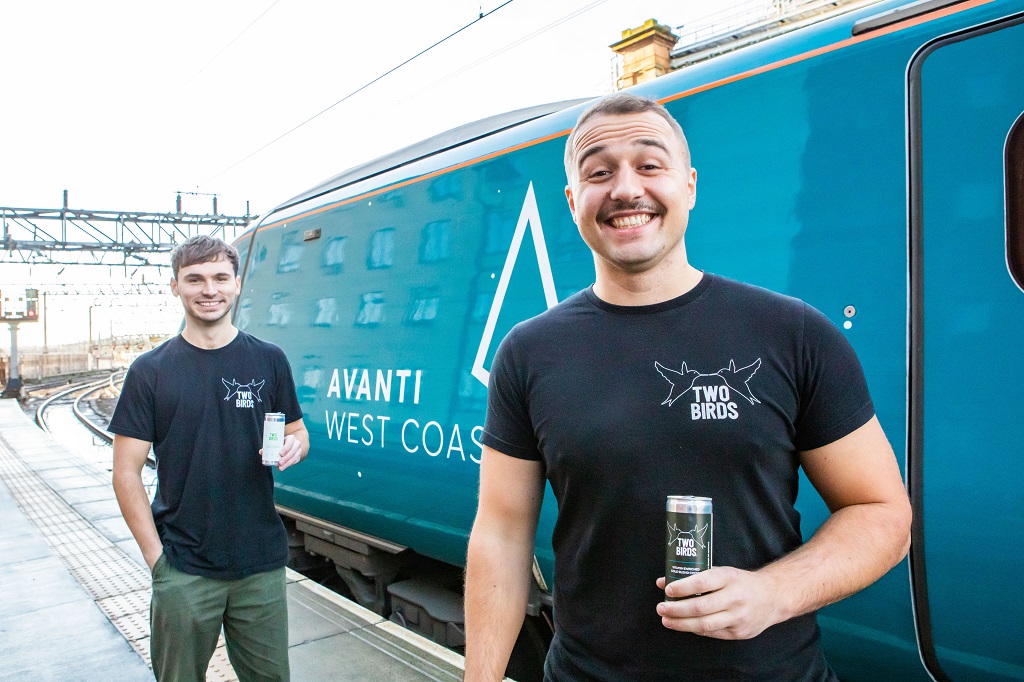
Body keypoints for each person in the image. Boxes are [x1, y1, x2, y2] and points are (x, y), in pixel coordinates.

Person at [463, 93, 912, 681]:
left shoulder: (792, 333)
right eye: (599, 172)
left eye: (650, 165)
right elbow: (501, 532)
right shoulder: (528, 353)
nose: (626, 189)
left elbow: (882, 513)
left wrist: (774, 592)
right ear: (574, 201)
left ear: (690, 185)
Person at [110, 235, 309, 682]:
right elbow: (125, 473)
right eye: (195, 279)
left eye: (220, 278)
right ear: (175, 287)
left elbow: (297, 431)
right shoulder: (151, 370)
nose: (209, 289)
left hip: (260, 565)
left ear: (237, 285)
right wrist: (158, 562)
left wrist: (297, 445)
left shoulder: (269, 360)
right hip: (184, 565)